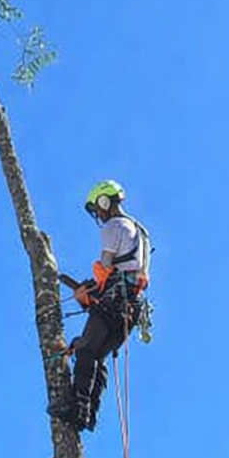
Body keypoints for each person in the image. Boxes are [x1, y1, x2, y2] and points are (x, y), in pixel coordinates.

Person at [53, 179, 152, 433]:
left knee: (87, 352)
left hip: (114, 301)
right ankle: (90, 414)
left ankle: (78, 410)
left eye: (98, 208)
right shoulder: (139, 232)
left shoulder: (113, 226)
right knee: (97, 356)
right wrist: (93, 292)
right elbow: (124, 274)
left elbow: (106, 269)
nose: (98, 214)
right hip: (130, 308)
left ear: (105, 201)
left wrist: (89, 291)